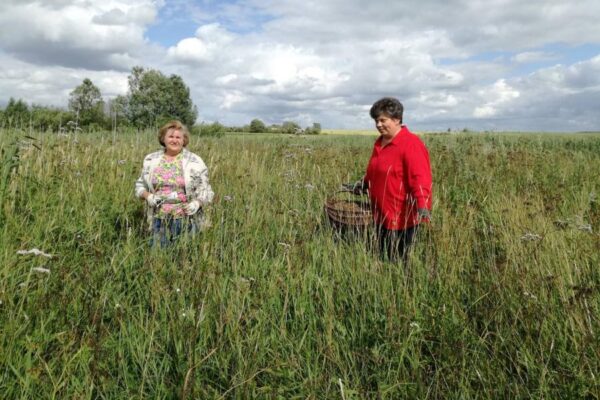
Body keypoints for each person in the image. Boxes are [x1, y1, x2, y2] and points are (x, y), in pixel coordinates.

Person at [354, 97, 432, 262]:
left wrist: (423, 204)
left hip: (400, 217)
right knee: (382, 257)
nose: (378, 124)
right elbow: (375, 170)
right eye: (376, 120)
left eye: (383, 120)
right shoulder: (380, 143)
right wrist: (363, 184)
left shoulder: (411, 143)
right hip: (380, 213)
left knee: (399, 261)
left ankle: (404, 286)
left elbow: (420, 177)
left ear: (397, 119)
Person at [135, 120, 214, 247]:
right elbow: (139, 186)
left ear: (184, 140)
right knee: (158, 259)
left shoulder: (194, 161)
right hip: (159, 218)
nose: (174, 140)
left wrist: (197, 203)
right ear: (163, 139)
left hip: (186, 219)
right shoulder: (151, 160)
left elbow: (207, 191)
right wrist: (148, 196)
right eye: (171, 136)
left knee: (183, 258)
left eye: (178, 137)